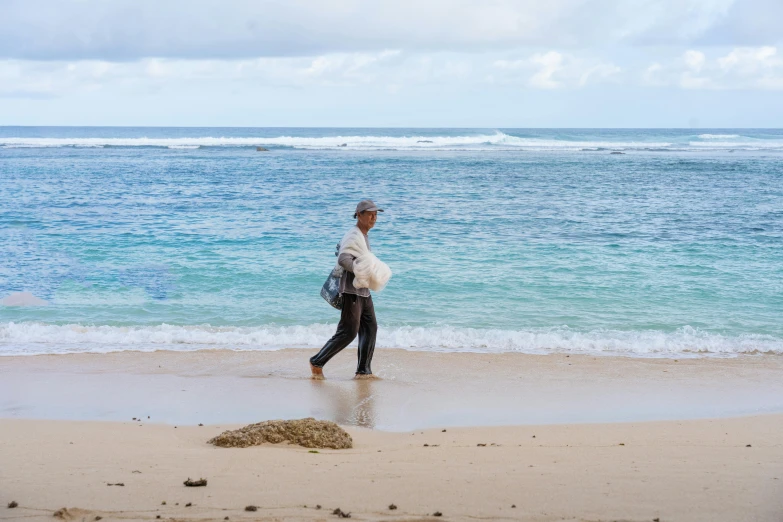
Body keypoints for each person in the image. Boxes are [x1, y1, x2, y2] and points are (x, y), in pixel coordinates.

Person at [310, 200, 385, 380]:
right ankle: (317, 361)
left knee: (370, 327)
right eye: (370, 214)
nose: (374, 218)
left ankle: (363, 371)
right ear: (359, 215)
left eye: (376, 214)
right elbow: (344, 259)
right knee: (348, 331)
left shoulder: (363, 235)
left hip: (363, 290)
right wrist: (360, 271)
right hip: (351, 290)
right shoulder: (353, 235)